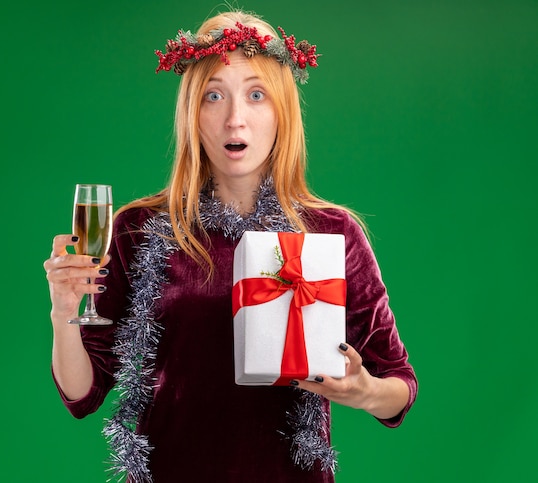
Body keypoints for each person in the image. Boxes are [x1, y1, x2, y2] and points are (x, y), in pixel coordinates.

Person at [43, 9, 417, 483]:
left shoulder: (332, 231)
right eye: (214, 95)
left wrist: (364, 391)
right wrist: (62, 312)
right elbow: (83, 394)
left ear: (282, 111)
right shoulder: (140, 228)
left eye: (256, 95)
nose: (234, 118)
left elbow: (400, 385)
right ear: (192, 112)